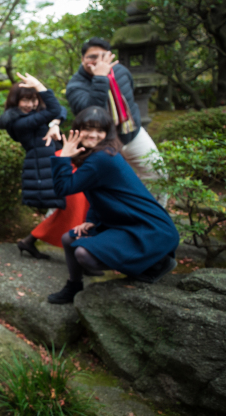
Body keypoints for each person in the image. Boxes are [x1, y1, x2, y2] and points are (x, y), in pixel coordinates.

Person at [47, 107, 179, 304]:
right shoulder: (96, 154)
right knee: (69, 238)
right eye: (88, 129)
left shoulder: (102, 157)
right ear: (77, 130)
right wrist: (91, 221)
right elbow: (100, 193)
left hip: (147, 228)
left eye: (99, 130)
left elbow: (63, 188)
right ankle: (73, 286)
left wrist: (64, 157)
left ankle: (155, 263)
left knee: (83, 254)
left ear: (106, 134)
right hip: (124, 221)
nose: (93, 134)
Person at [66, 37, 164, 184]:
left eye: (104, 57)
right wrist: (100, 77)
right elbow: (92, 115)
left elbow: (131, 99)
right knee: (116, 185)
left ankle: (151, 207)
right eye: (92, 57)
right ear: (82, 58)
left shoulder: (121, 71)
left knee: (159, 175)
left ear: (111, 56)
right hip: (101, 143)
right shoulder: (75, 86)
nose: (99, 62)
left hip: (131, 133)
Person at [0, 73, 68, 259]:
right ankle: (77, 251)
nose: (30, 104)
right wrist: (40, 86)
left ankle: (30, 241)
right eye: (25, 100)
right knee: (69, 206)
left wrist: (55, 124)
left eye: (34, 99)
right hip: (46, 167)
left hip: (57, 160)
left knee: (66, 208)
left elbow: (61, 110)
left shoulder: (34, 114)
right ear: (15, 101)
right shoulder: (17, 122)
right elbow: (54, 109)